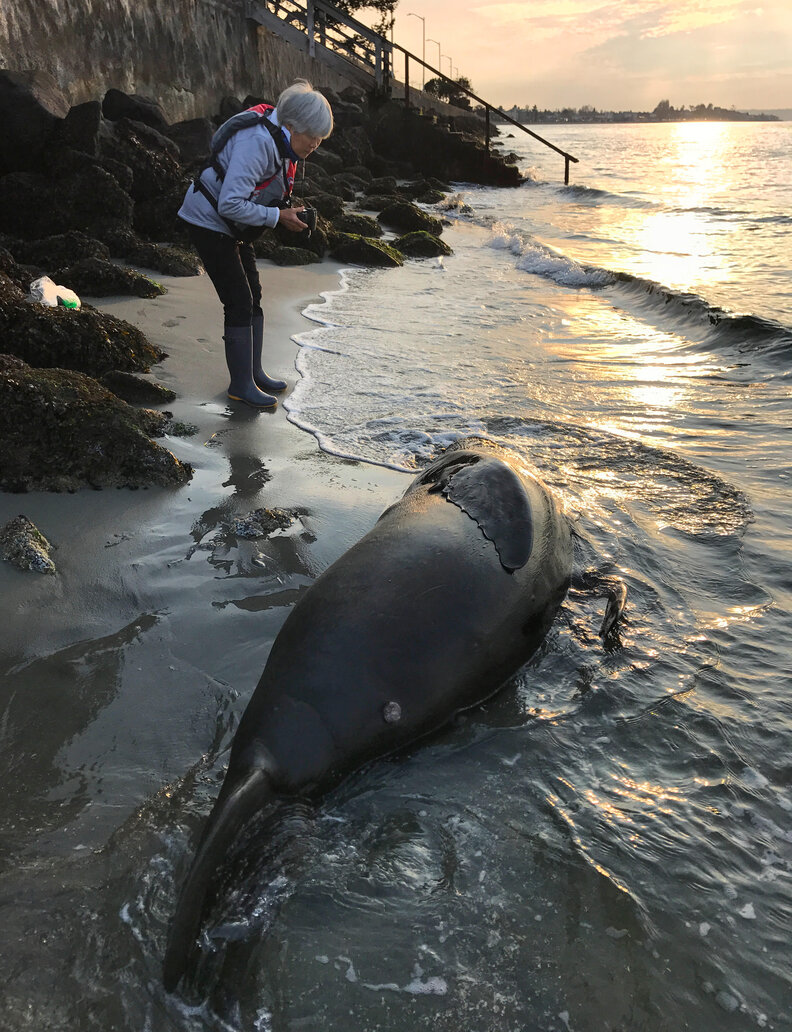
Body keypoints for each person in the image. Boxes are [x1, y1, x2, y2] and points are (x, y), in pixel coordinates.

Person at [178, 80, 333, 408]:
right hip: (208, 221)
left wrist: (287, 214)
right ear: (291, 127)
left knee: (254, 296)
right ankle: (240, 385)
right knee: (239, 300)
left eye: (322, 138)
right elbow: (229, 204)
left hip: (234, 226)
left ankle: (255, 373)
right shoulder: (258, 142)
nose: (317, 144)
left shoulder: (284, 142)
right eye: (314, 137)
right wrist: (278, 218)